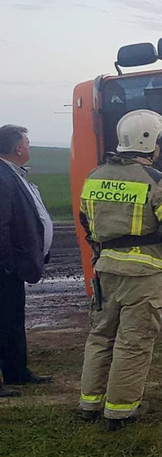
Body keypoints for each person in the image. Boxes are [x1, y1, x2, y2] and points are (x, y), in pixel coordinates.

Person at [76, 109, 162, 430]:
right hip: (143, 274)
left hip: (105, 270)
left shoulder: (95, 175)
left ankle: (89, 404)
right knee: (134, 341)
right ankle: (120, 411)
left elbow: (86, 222)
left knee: (100, 336)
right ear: (148, 141)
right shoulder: (154, 180)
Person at [0, 124, 53, 398]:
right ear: (18, 148)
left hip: (11, 267)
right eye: (28, 143)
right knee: (3, 320)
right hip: (4, 267)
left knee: (12, 319)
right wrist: (8, 262)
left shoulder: (12, 174)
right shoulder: (2, 177)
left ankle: (17, 372)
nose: (30, 147)